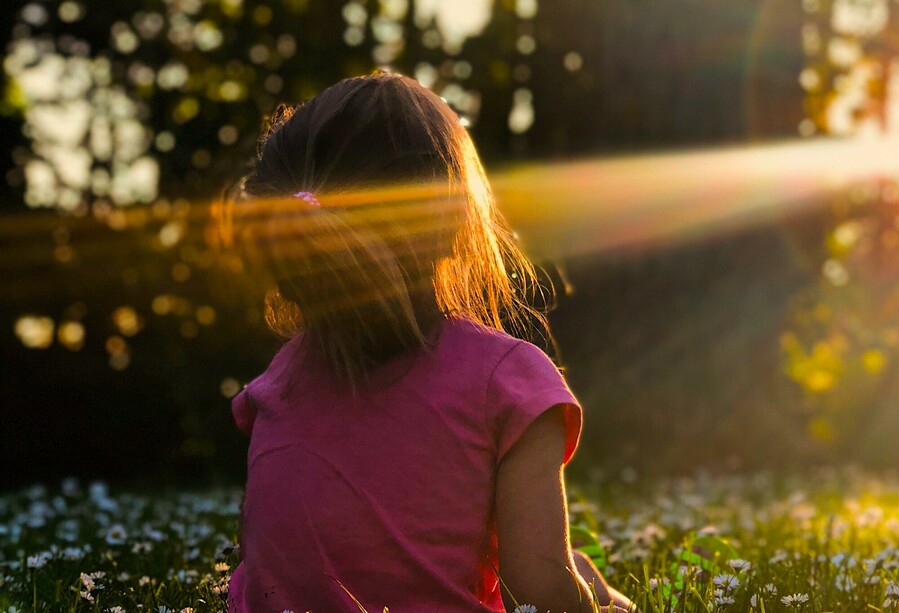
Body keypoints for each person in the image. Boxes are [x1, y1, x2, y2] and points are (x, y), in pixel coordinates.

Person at [223, 72, 632, 613]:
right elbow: (539, 594)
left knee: (574, 566)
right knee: (584, 586)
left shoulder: (276, 386)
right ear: (453, 220)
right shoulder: (507, 381)